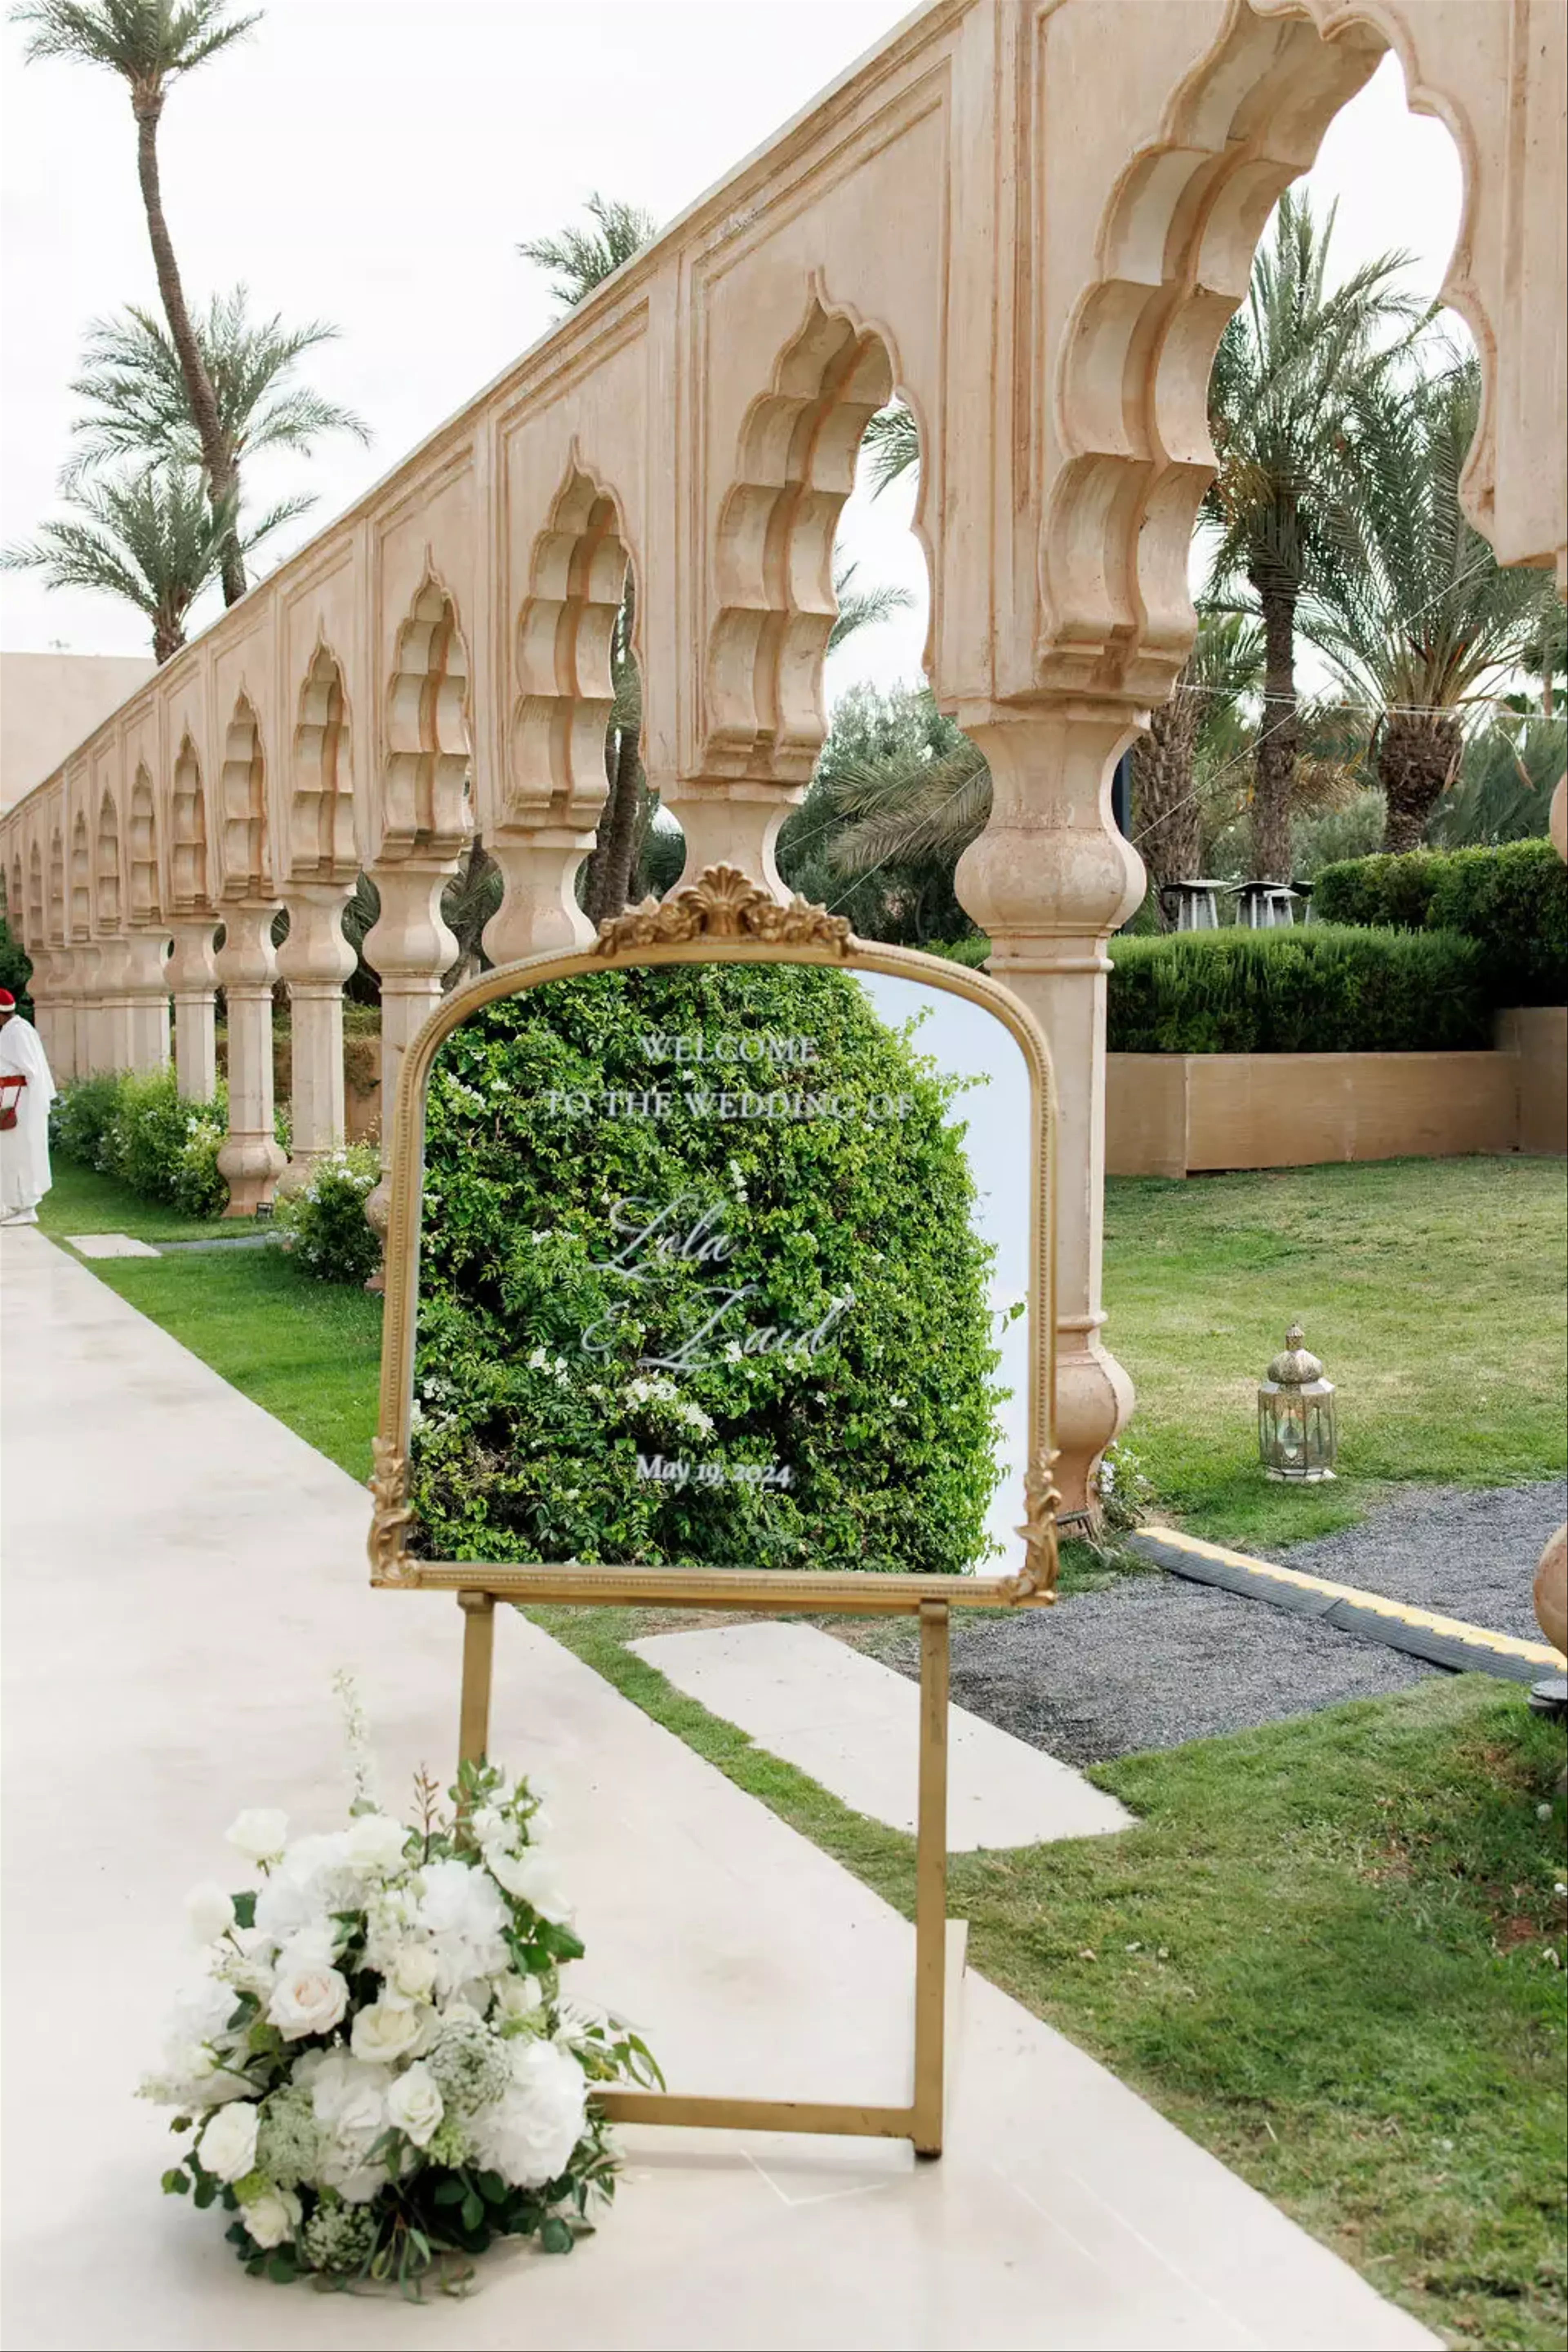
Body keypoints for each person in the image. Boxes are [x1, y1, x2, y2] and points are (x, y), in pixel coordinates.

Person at [0, 988, 56, 1227]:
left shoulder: (17, 1033)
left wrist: (28, 1107)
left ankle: (27, 1208)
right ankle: (13, 1204)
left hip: (21, 1103)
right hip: (14, 1098)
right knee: (10, 1155)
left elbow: (31, 1072)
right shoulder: (12, 1030)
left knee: (20, 1155)